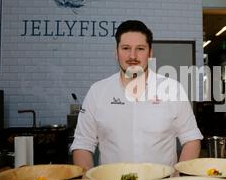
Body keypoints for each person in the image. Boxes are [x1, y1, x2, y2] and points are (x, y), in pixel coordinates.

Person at [71, 20, 203, 171]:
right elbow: (82, 144)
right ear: (116, 52)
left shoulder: (173, 89)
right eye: (126, 48)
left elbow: (191, 139)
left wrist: (178, 179)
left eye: (140, 48)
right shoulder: (97, 91)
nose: (132, 55)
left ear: (150, 53)